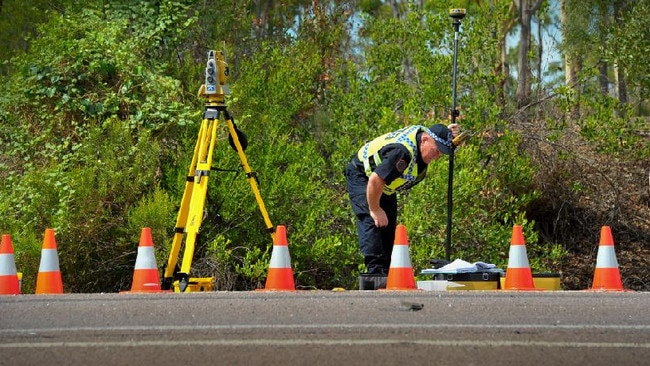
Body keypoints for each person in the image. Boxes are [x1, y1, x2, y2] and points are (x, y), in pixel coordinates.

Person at [344, 122, 460, 289]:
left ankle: (387, 275)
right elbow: (375, 180)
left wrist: (448, 135)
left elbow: (437, 135)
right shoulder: (402, 153)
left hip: (386, 186)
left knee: (388, 228)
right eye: (436, 150)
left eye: (441, 153)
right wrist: (375, 209)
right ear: (425, 140)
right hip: (364, 177)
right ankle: (375, 276)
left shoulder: (426, 139)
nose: (437, 156)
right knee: (372, 222)